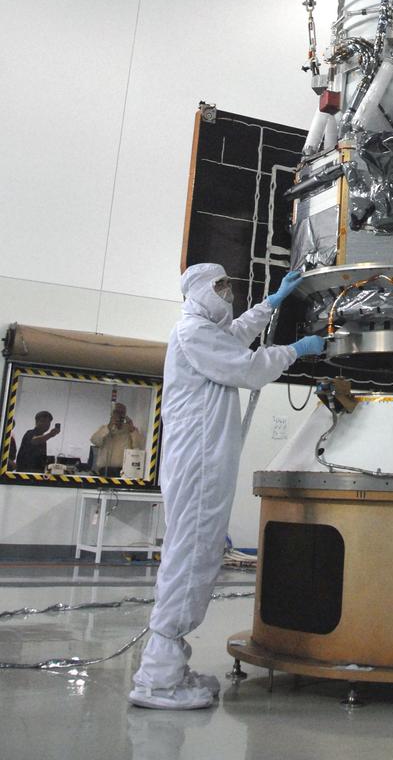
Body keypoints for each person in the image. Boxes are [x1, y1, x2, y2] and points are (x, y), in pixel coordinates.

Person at [129, 262, 325, 710]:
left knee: (197, 552)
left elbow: (234, 337)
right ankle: (158, 679)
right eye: (220, 286)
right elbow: (250, 368)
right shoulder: (193, 332)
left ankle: (170, 665)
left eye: (228, 285)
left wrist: (271, 303)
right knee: (192, 556)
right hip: (198, 462)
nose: (228, 293)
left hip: (204, 460)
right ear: (199, 291)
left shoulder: (205, 332)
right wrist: (296, 350)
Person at [91, 402, 145, 475]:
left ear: (125, 415)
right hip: (104, 470)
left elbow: (139, 446)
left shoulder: (130, 430)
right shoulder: (105, 429)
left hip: (123, 471)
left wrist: (132, 429)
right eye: (116, 412)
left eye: (122, 413)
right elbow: (94, 440)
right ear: (112, 414)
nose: (119, 415)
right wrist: (109, 427)